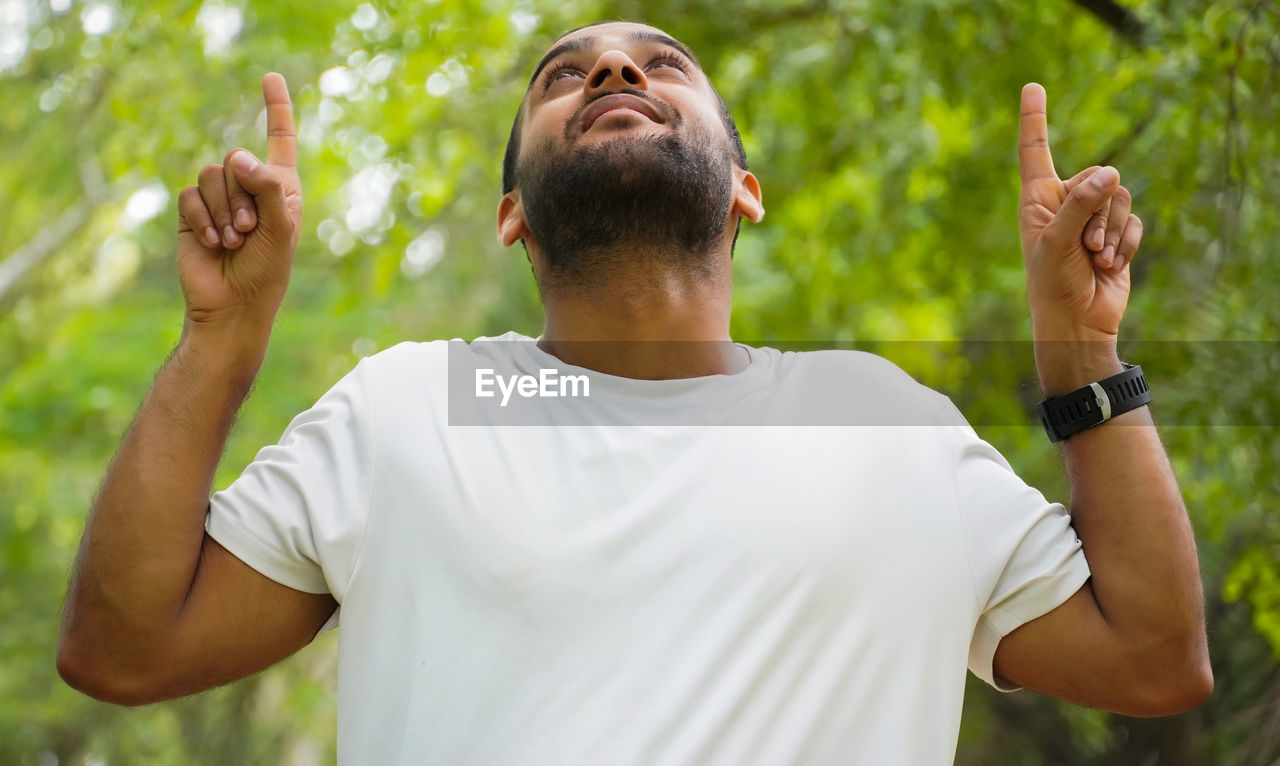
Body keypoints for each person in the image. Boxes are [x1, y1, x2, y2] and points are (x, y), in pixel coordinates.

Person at [56, 20, 1212, 765]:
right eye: (564, 77)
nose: (613, 72)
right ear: (512, 213)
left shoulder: (888, 423)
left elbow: (1152, 660)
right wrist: (223, 335)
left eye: (661, 65)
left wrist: (1077, 349)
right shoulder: (403, 407)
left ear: (743, 191)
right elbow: (124, 648)